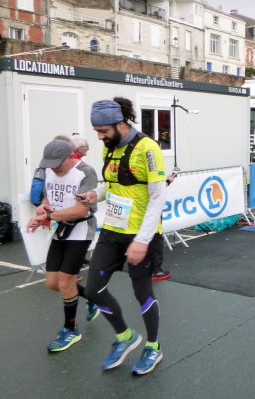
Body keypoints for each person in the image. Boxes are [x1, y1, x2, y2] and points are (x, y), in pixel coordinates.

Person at [83, 97, 167, 375]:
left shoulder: (148, 148)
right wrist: (95, 194)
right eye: (97, 131)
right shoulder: (110, 148)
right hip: (112, 231)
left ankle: (153, 347)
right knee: (93, 290)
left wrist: (142, 240)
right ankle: (125, 337)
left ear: (120, 124)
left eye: (103, 131)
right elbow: (113, 186)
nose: (99, 137)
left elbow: (158, 197)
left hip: (141, 234)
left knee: (142, 293)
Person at [25, 140, 100, 352]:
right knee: (52, 283)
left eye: (58, 163)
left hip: (81, 230)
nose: (54, 168)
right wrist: (43, 207)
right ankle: (92, 298)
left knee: (66, 281)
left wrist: (47, 216)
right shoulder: (49, 171)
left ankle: (71, 329)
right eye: (50, 164)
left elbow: (80, 210)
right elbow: (48, 198)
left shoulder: (85, 172)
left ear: (70, 157)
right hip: (61, 230)